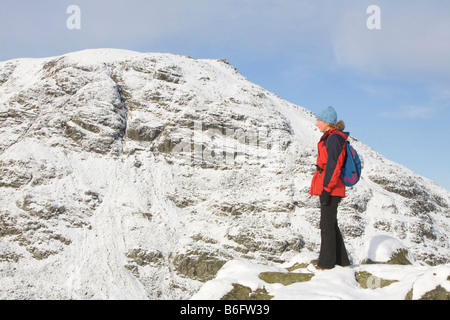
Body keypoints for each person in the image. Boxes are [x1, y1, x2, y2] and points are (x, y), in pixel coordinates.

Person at [310, 106, 351, 270]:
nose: (316, 123)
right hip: (330, 186)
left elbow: (334, 165)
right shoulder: (331, 137)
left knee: (326, 225)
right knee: (331, 223)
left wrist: (327, 189)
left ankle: (326, 264)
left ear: (327, 122)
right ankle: (342, 261)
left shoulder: (334, 139)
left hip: (331, 187)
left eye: (319, 120)